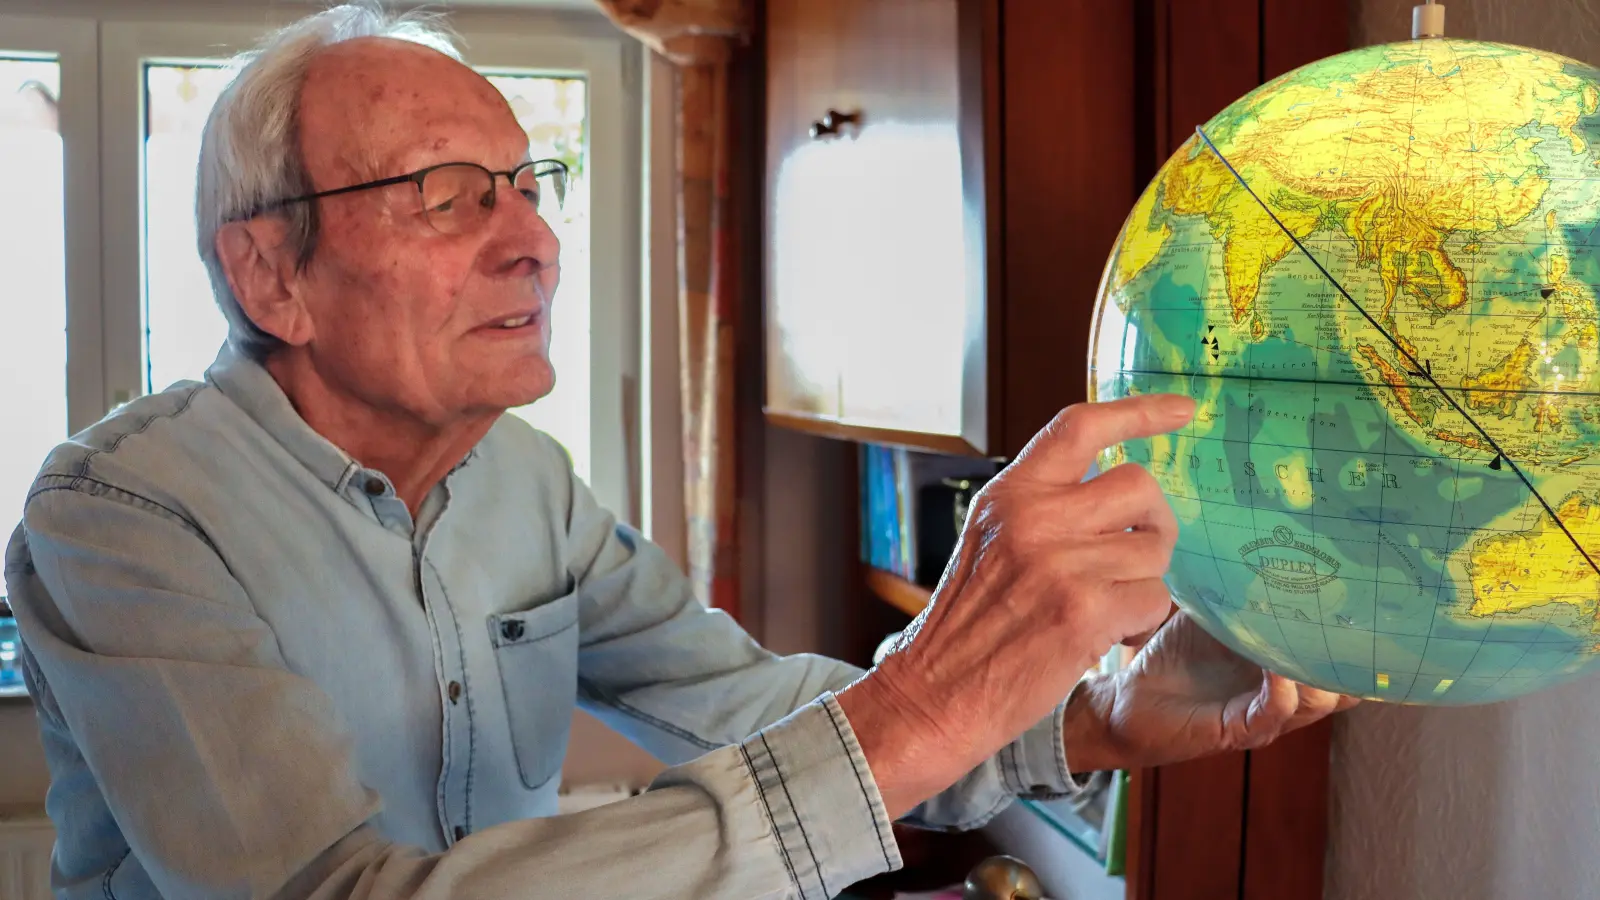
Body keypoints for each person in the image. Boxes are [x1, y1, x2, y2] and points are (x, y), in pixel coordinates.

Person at [1, 6, 1355, 899]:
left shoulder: (524, 479)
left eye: (530, 185)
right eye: (447, 197)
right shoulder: (120, 515)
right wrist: (922, 711)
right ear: (269, 276)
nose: (532, 238)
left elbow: (752, 704)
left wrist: (1092, 714)